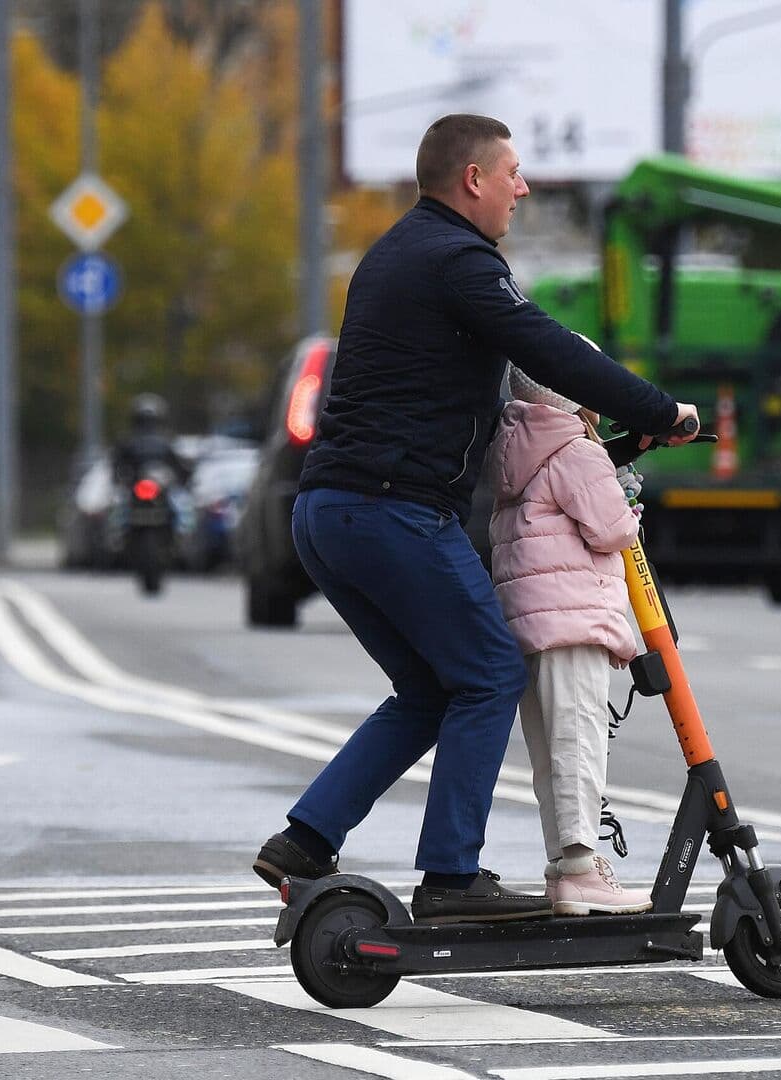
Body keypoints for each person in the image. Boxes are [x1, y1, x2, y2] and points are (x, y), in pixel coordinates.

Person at [252, 114, 698, 925]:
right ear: (474, 179)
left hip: (328, 513)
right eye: (514, 173)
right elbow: (552, 350)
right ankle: (452, 879)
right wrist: (664, 410)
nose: (523, 188)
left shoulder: (394, 252)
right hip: (392, 511)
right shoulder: (458, 260)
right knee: (491, 670)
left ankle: (306, 840)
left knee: (430, 687)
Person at [490, 367, 654, 916]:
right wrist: (628, 503)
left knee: (549, 753)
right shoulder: (576, 450)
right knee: (581, 742)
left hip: (530, 624)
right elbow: (609, 529)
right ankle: (583, 868)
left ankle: (563, 867)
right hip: (575, 617)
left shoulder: (517, 448)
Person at [109, 393, 191, 493]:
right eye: (144, 421)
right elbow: (117, 465)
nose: (147, 426)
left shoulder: (165, 442)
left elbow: (179, 466)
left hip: (162, 489)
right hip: (135, 490)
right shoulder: (128, 442)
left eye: (150, 421)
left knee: (182, 503)